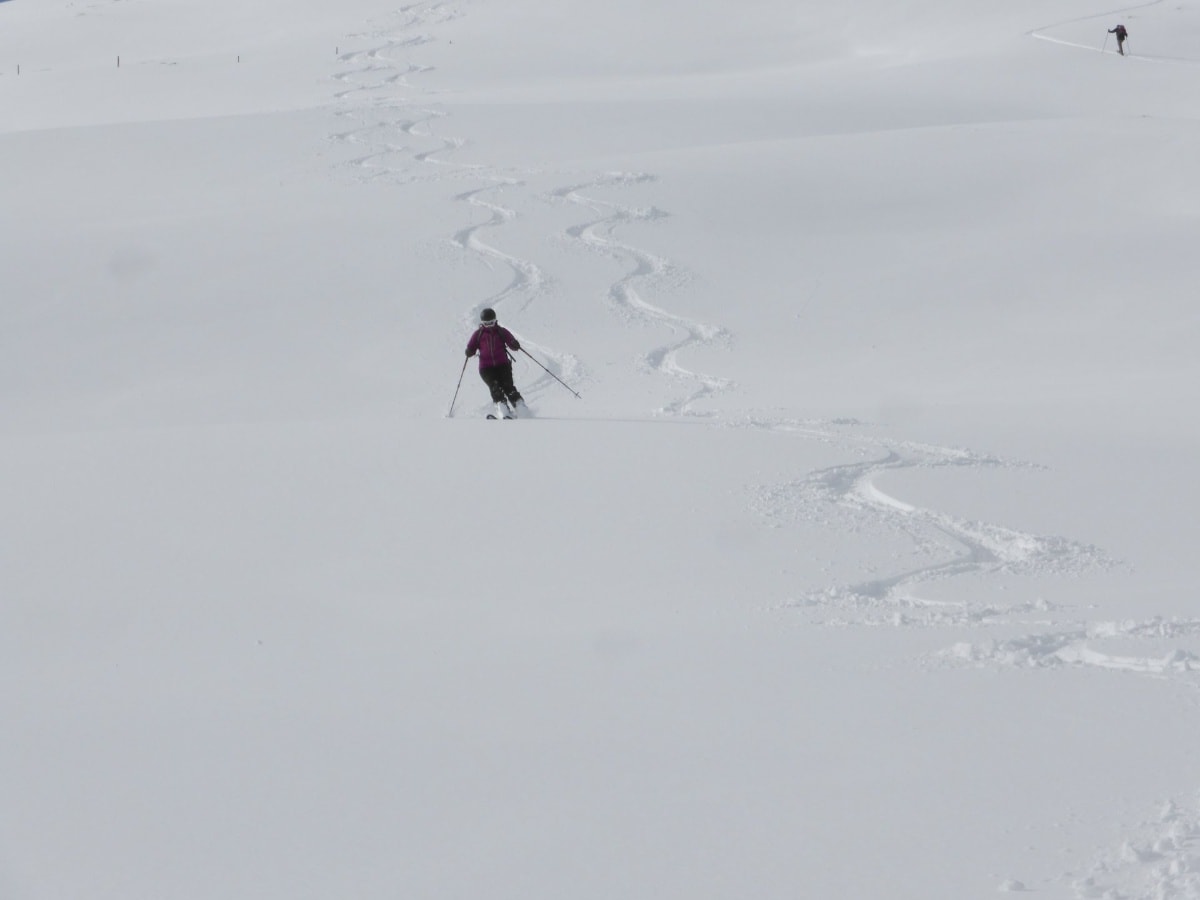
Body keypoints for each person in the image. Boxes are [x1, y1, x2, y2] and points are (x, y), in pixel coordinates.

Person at [465, 308, 527, 418]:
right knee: (495, 387)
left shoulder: (501, 331)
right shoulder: (478, 334)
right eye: (486, 323)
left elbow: (511, 342)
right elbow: (471, 347)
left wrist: (514, 344)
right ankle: (503, 410)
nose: (489, 325)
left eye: (491, 323)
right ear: (482, 323)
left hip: (503, 365)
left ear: (495, 320)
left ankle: (521, 408)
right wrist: (469, 351)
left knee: (508, 386)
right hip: (486, 367)